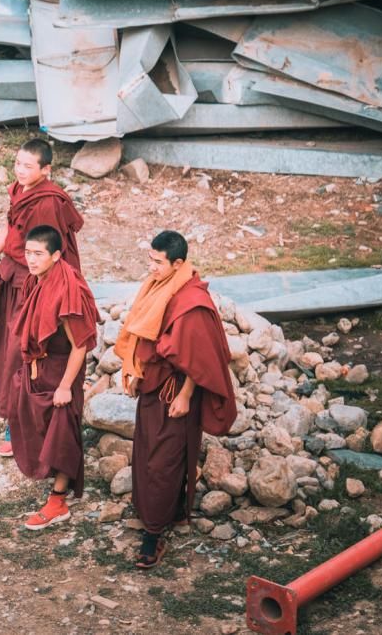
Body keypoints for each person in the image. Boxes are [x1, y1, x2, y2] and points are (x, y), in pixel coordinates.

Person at [115, 230, 238, 569]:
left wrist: (185, 396)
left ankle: (153, 535)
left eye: (157, 262)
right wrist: (136, 369)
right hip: (153, 386)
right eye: (150, 260)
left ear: (178, 263)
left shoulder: (192, 303)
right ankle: (160, 513)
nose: (150, 267)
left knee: (163, 460)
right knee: (147, 452)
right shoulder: (161, 285)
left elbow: (202, 358)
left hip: (174, 394)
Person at [0, 138, 84, 456]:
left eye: (27, 166)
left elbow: (47, 255)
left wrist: (45, 297)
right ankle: (13, 414)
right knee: (8, 348)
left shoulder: (48, 203)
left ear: (45, 170)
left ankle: (21, 424)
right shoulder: (21, 191)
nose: (19, 170)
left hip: (33, 284)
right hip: (13, 274)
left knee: (26, 352)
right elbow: (9, 231)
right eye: (17, 163)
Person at [3, 225, 97, 530]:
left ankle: (58, 501)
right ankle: (53, 482)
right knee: (41, 426)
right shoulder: (39, 279)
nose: (30, 260)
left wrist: (66, 386)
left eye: (38, 254)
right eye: (28, 253)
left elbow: (80, 343)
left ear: (56, 255)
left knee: (62, 431)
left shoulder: (67, 289)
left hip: (61, 369)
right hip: (42, 365)